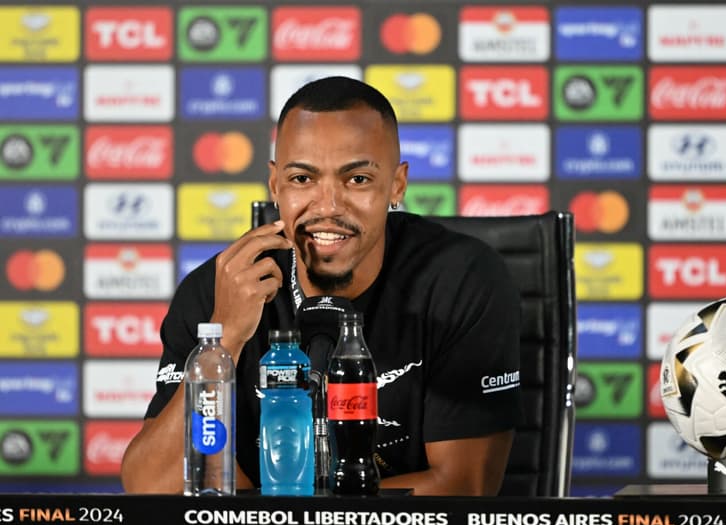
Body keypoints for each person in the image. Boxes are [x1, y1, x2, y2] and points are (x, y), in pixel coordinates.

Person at [120, 76, 522, 496]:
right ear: (276, 185)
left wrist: (284, 515)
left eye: (358, 180)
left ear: (397, 185)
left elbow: (463, 489)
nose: (328, 207)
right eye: (302, 180)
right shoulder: (219, 291)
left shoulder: (461, 282)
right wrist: (225, 341)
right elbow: (152, 483)